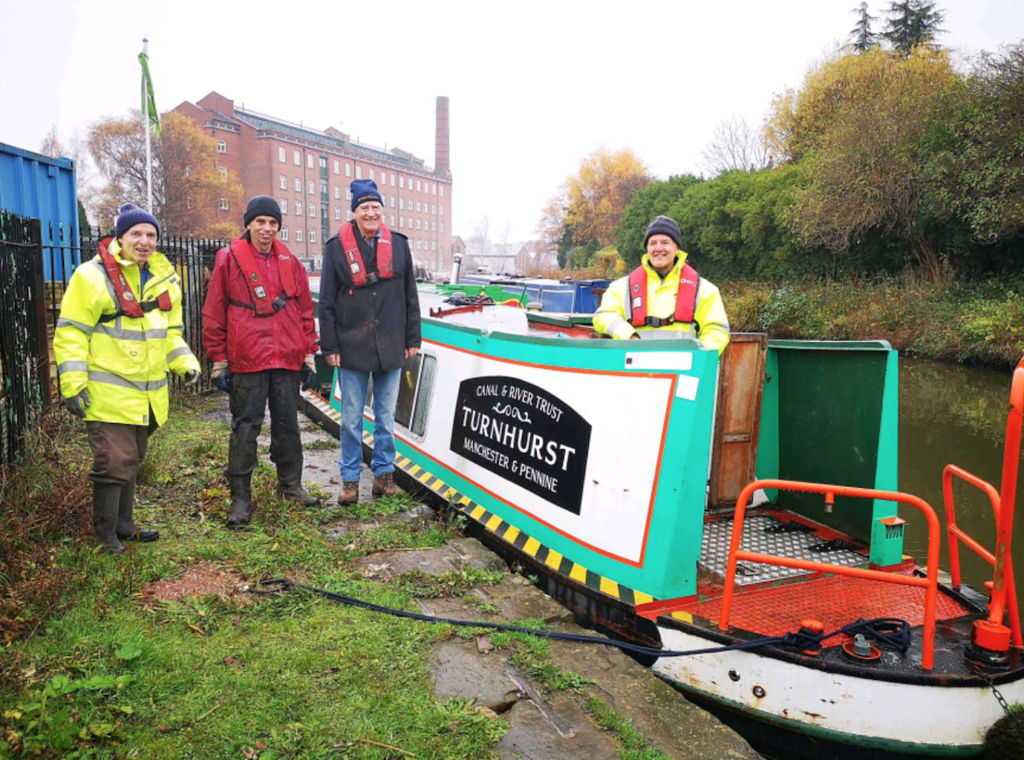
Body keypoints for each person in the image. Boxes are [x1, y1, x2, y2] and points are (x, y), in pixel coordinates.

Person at [54, 203, 201, 554]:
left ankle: (124, 525)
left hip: (148, 396)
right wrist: (73, 384)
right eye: (136, 233)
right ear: (120, 237)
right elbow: (72, 332)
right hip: (107, 394)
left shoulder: (164, 278)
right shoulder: (91, 276)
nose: (145, 241)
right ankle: (105, 538)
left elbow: (171, 333)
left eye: (151, 235)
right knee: (113, 462)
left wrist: (185, 364)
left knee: (131, 459)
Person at [202, 195, 321, 528]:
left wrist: (308, 353)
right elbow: (214, 312)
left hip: (285, 357)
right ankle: (240, 500)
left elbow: (304, 312)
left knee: (288, 425)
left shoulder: (292, 263)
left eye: (272, 223)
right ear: (249, 224)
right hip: (248, 358)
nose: (267, 228)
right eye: (261, 222)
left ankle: (291, 487)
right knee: (245, 428)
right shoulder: (228, 260)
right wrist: (219, 360)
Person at [319, 179, 421, 505]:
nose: (371, 212)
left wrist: (412, 339)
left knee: (386, 418)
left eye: (376, 207)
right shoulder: (336, 247)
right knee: (350, 419)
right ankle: (350, 480)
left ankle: (383, 475)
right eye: (364, 207)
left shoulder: (400, 245)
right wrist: (330, 347)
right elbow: (327, 303)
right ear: (354, 212)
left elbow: (410, 296)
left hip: (391, 344)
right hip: (352, 346)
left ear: (382, 210)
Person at [593, 215, 730, 354]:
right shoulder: (621, 288)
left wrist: (697, 358)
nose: (658, 248)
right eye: (652, 243)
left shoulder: (705, 290)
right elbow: (603, 316)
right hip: (635, 369)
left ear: (677, 248)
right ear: (647, 249)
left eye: (665, 242)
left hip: (683, 370)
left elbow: (717, 331)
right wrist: (630, 336)